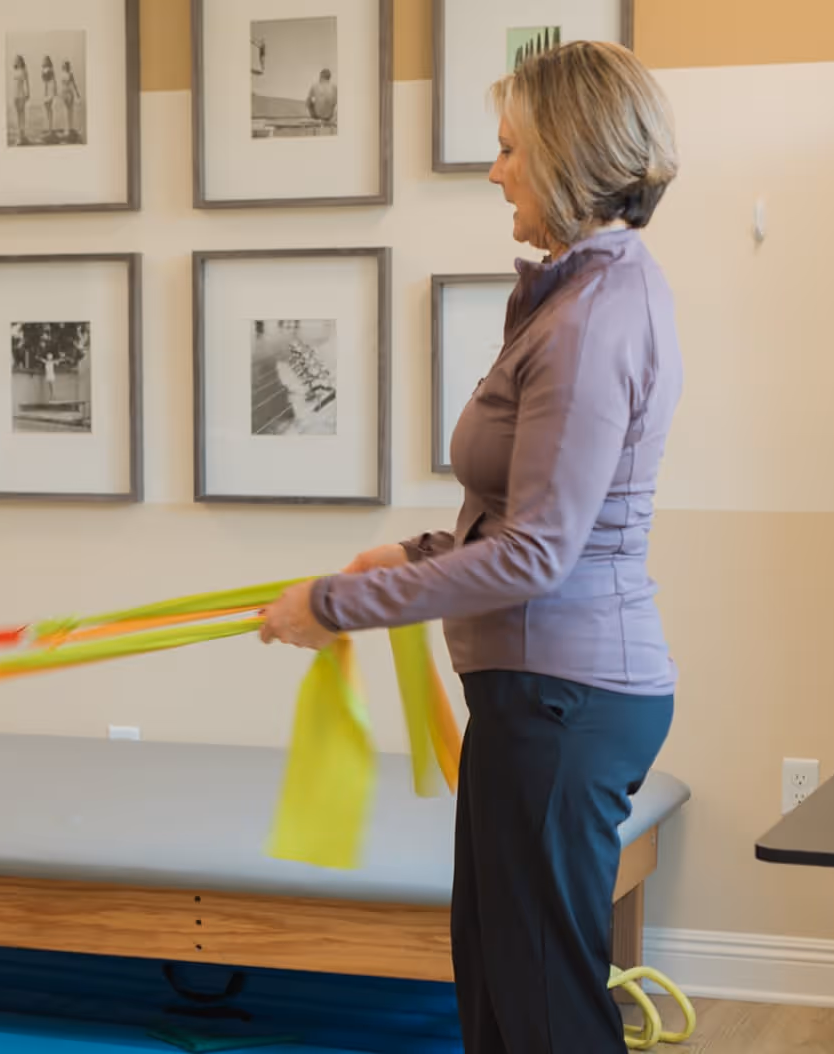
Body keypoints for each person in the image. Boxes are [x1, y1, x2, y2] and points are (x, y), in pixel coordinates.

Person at [259, 40, 682, 1054]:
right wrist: (406, 556)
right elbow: (522, 515)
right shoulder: (585, 297)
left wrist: (329, 606)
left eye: (508, 149)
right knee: (498, 988)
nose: (494, 171)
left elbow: (538, 554)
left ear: (570, 155)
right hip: (539, 695)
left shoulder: (588, 322)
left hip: (561, 698)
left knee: (541, 1009)